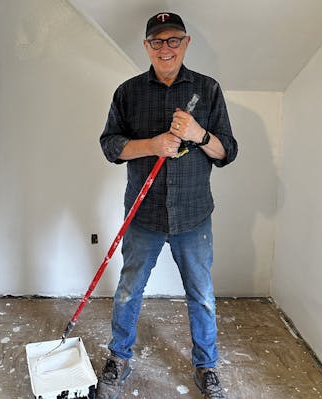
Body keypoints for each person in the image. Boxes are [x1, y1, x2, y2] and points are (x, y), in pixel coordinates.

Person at [97, 12, 238, 399]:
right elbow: (111, 145)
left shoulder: (208, 91)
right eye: (157, 41)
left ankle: (206, 365)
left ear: (186, 43)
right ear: (146, 47)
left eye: (173, 40)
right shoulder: (127, 92)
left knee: (202, 296)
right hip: (144, 215)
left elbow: (228, 152)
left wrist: (199, 133)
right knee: (129, 290)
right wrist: (152, 145)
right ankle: (120, 356)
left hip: (193, 216)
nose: (166, 48)